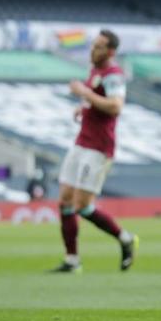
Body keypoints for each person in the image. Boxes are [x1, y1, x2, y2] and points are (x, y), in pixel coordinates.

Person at [51, 29, 137, 273]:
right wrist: (84, 106)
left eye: (99, 46)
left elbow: (116, 106)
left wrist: (85, 94)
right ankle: (71, 260)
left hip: (98, 148)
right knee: (64, 200)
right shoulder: (95, 71)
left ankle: (125, 238)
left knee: (83, 206)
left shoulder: (113, 75)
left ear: (110, 52)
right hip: (81, 142)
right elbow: (97, 100)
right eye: (93, 45)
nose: (93, 50)